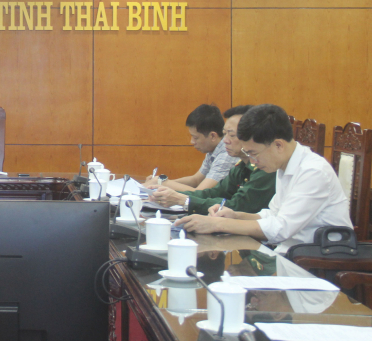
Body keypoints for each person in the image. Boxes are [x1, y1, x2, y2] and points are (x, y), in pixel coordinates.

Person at [175, 104, 352, 255]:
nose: (252, 162)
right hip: (291, 254)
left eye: (254, 154)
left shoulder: (313, 172)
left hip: (319, 261)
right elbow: (272, 214)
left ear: (278, 145)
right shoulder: (284, 164)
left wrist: (218, 224)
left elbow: (280, 228)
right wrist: (236, 215)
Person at [149, 105, 276, 215]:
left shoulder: (266, 168)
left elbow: (238, 206)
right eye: (225, 134)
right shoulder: (241, 166)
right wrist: (173, 195)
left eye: (232, 135)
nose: (225, 140)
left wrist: (183, 200)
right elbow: (213, 193)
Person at [144, 104, 239, 191]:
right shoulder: (213, 150)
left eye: (195, 137)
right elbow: (196, 180)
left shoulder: (226, 154)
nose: (192, 142)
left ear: (213, 136)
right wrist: (158, 182)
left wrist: (161, 183)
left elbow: (201, 193)